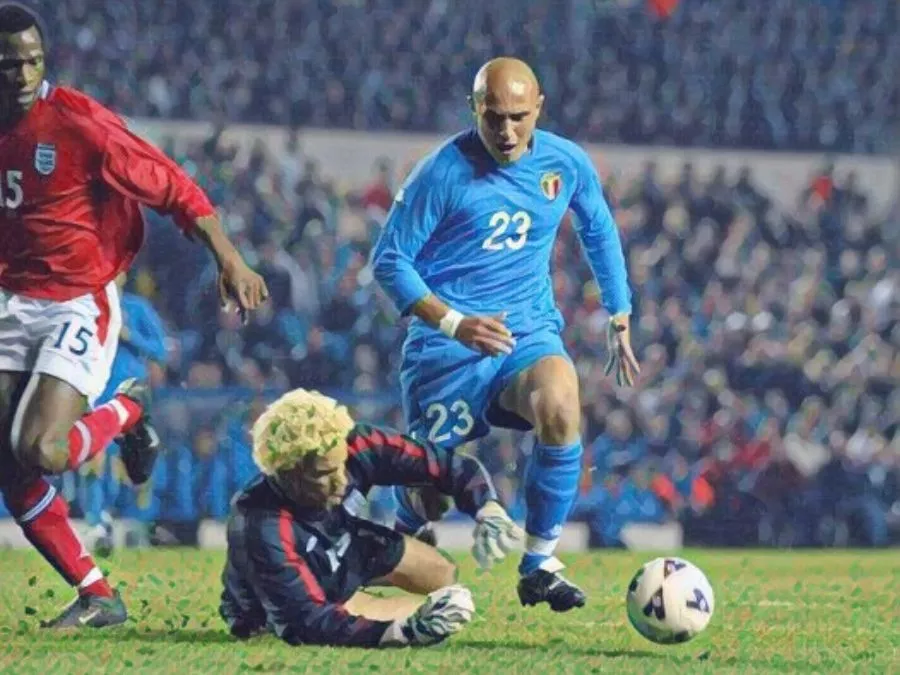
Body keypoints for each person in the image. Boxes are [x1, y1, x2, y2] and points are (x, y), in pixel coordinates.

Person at [0, 3, 268, 628]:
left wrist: (229, 257)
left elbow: (171, 185)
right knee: (10, 468)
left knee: (41, 447)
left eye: (34, 61)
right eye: (9, 64)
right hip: (11, 300)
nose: (24, 75)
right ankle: (98, 596)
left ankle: (127, 411)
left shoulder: (78, 122)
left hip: (76, 299)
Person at [371, 57, 639, 612]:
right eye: (494, 117)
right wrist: (454, 322)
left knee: (560, 400)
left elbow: (597, 226)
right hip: (446, 346)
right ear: (474, 109)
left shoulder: (565, 162)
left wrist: (619, 311)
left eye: (519, 117)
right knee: (432, 494)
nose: (508, 131)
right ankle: (407, 525)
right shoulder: (440, 173)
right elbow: (390, 260)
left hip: (525, 333)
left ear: (539, 107)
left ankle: (539, 563)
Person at [220, 388, 522, 647]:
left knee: (442, 573)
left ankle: (362, 598)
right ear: (289, 474)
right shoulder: (259, 523)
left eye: (341, 464)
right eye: (325, 473)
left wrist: (487, 507)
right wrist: (404, 632)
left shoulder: (354, 444)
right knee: (409, 615)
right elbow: (306, 622)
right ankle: (356, 606)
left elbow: (444, 464)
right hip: (274, 605)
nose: (341, 480)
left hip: (341, 541)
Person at [78, 272, 169, 555]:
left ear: (123, 275)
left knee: (133, 461)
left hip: (131, 399)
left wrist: (129, 335)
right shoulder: (87, 307)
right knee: (95, 459)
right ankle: (97, 521)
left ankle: (135, 523)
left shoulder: (137, 308)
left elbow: (160, 349)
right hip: (97, 396)